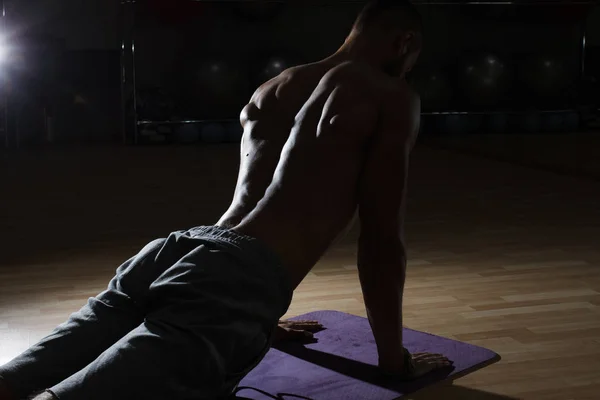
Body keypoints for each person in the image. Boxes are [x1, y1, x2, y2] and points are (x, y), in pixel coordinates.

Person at [0, 1, 452, 399]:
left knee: (16, 378)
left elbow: (261, 201)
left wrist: (262, 318)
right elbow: (381, 244)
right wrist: (394, 361)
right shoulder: (389, 95)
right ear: (404, 42)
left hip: (180, 250)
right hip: (232, 287)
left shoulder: (275, 87)